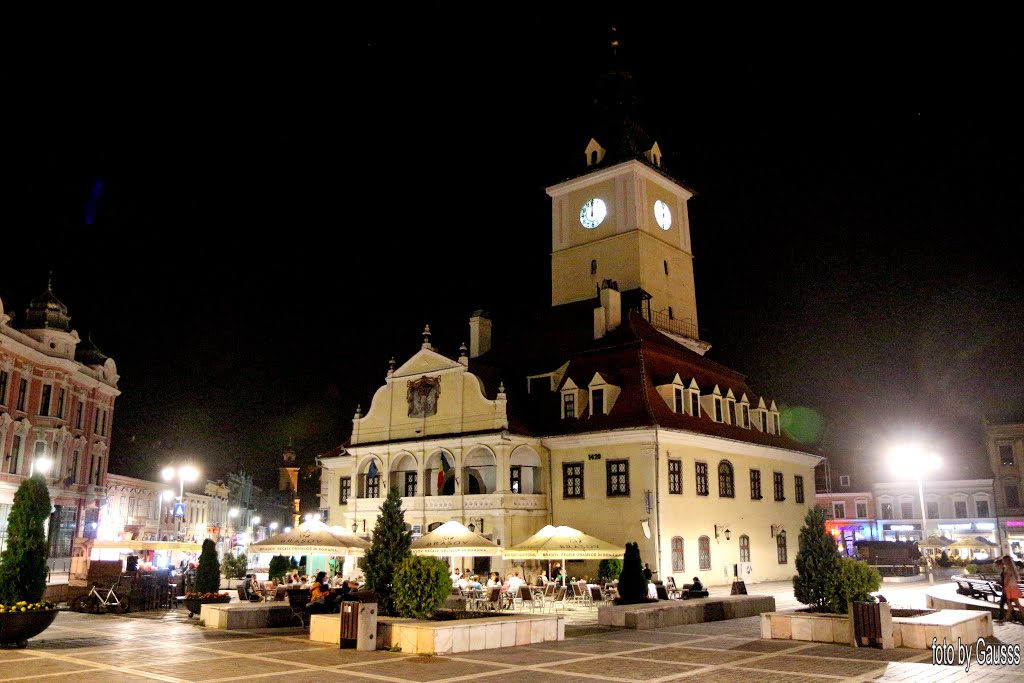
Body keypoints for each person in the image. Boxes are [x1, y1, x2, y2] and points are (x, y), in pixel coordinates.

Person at [1001, 555, 1023, 624]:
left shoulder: (1008, 568)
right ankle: (1005, 619)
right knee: (1010, 605)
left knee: (1017, 604)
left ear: (1007, 561)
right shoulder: (1011, 568)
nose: (1003, 561)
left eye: (1004, 560)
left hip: (1010, 588)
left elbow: (1007, 579)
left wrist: (1005, 587)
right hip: (1012, 587)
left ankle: (1005, 619)